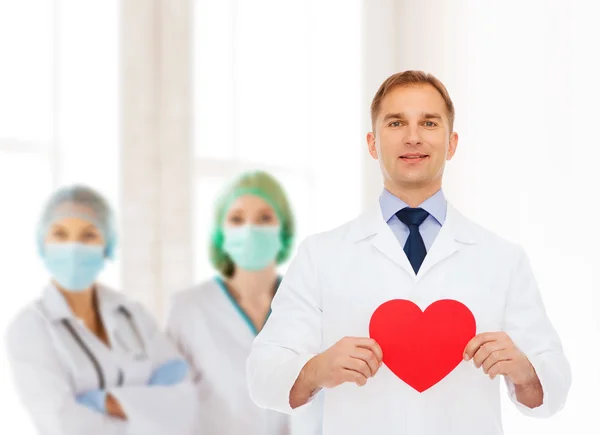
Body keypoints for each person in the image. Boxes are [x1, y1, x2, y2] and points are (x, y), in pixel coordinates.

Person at [246, 71, 571, 434]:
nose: (413, 136)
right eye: (396, 122)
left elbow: (555, 383)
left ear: (451, 144)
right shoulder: (320, 256)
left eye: (429, 123)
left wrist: (525, 371)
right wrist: (317, 369)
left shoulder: (503, 258)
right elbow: (261, 375)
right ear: (372, 143)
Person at [4, 185, 198, 435]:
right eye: (60, 234)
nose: (73, 247)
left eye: (88, 235)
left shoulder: (133, 314)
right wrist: (148, 410)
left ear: (107, 244)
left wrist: (101, 403)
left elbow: (184, 399)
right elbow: (62, 424)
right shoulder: (29, 328)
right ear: (43, 243)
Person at [167, 171, 323, 435]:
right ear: (221, 233)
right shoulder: (189, 309)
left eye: (264, 218)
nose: (250, 229)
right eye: (237, 219)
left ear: (283, 229)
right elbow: (171, 407)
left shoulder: (310, 304)